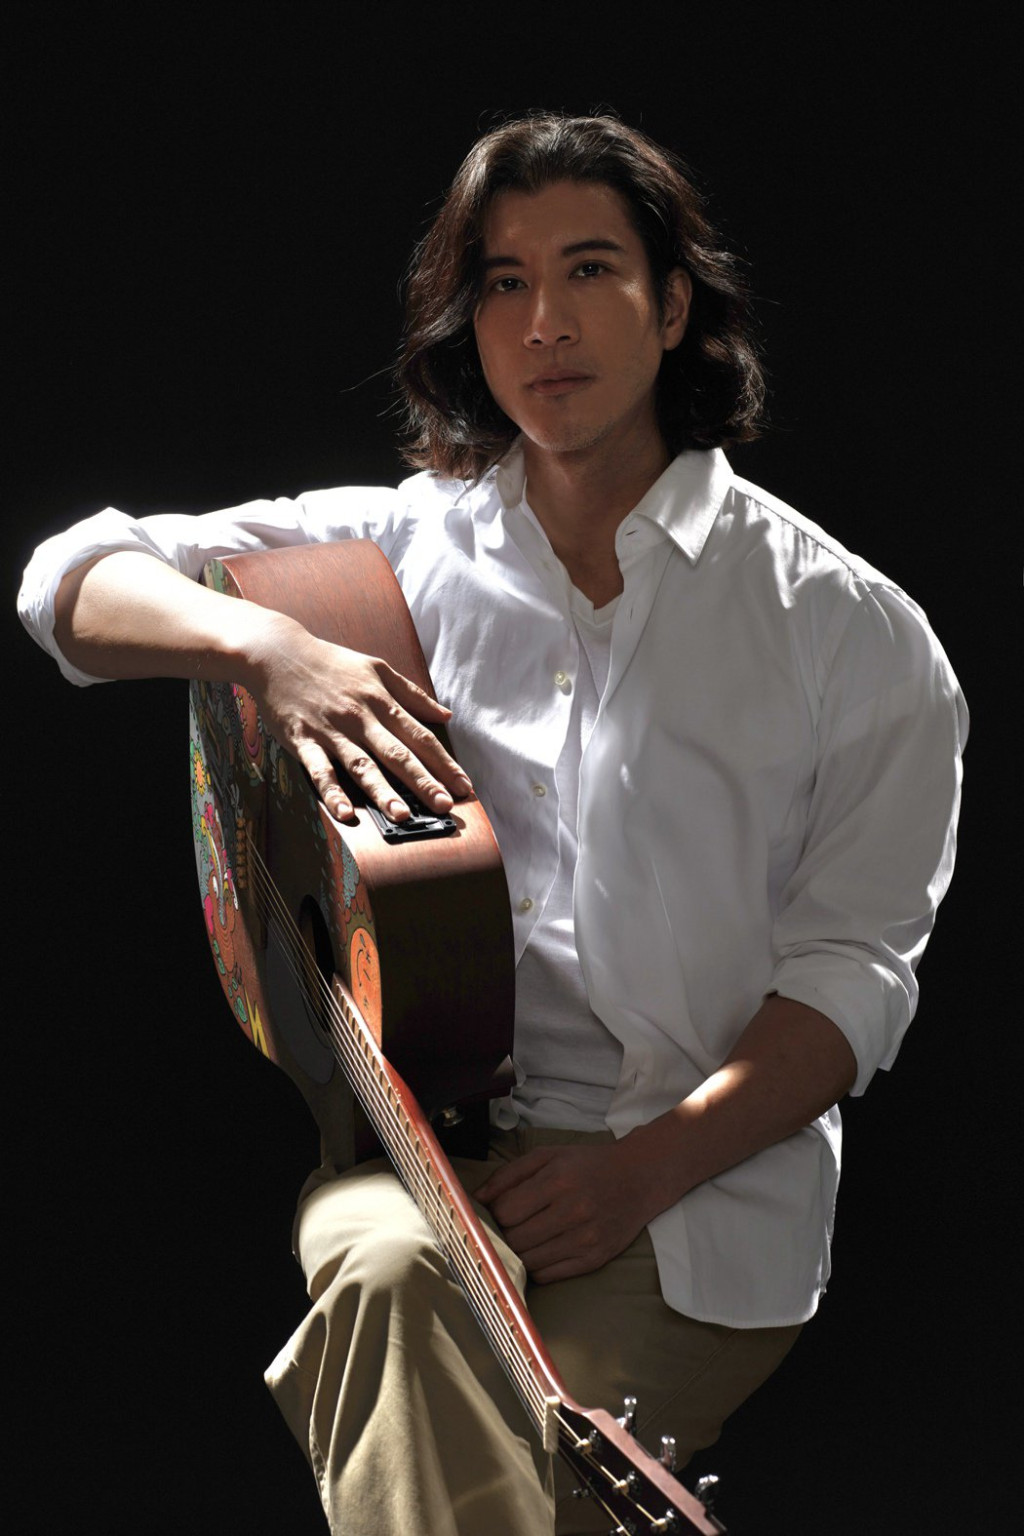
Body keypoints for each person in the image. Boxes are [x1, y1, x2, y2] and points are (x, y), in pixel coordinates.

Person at [18, 113, 966, 1535]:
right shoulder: (404, 543)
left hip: (692, 1205)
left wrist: (637, 1173)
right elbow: (68, 579)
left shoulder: (853, 633)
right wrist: (271, 649)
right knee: (390, 1286)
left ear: (674, 304)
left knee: (473, 1468)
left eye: (589, 271)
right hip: (420, 1158)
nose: (544, 324)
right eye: (504, 283)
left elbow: (853, 978)